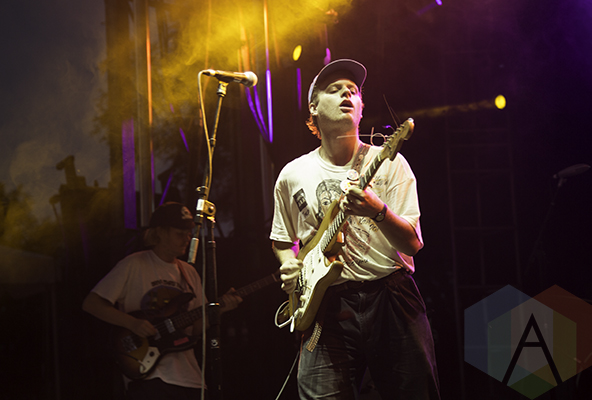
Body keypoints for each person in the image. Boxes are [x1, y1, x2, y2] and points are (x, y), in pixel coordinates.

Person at [270, 59, 441, 399]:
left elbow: (412, 243)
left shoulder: (390, 162)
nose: (347, 94)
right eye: (335, 90)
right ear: (313, 108)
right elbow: (281, 240)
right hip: (326, 303)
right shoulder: (292, 174)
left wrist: (378, 212)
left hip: (390, 297)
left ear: (362, 109)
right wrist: (289, 264)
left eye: (353, 91)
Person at [82, 201, 241, 400]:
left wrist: (220, 309)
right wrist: (133, 323)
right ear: (160, 233)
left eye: (188, 233)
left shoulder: (189, 272)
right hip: (151, 375)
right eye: (179, 233)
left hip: (190, 378)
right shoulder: (134, 264)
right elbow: (92, 303)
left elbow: (196, 328)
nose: (187, 238)